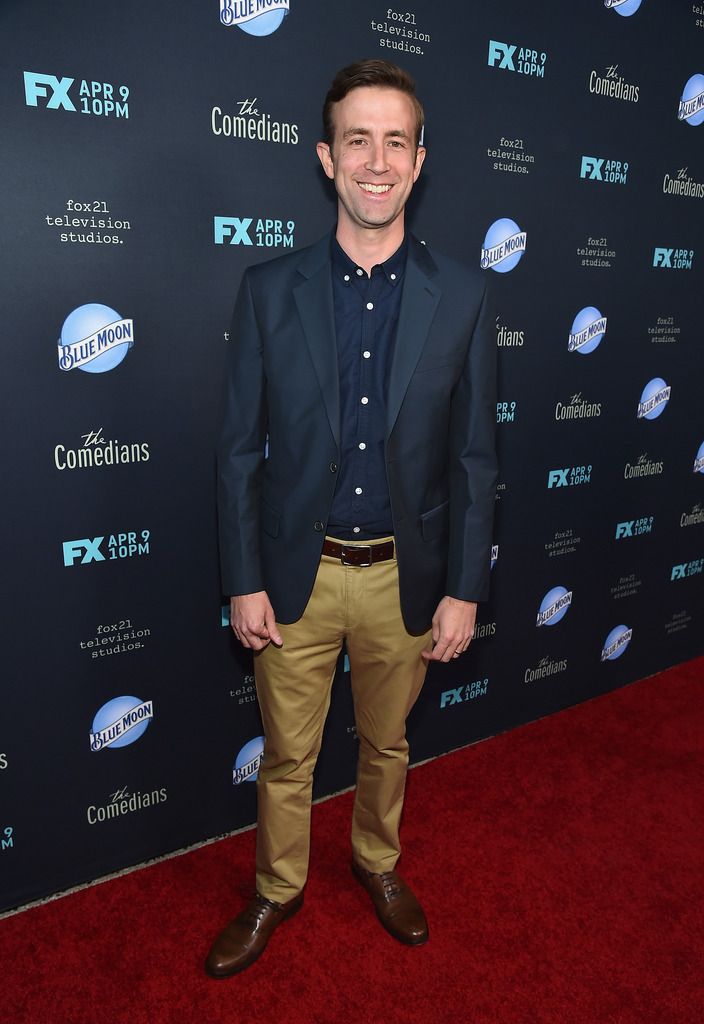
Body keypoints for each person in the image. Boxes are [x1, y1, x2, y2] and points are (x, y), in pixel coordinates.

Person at [207, 58, 497, 978]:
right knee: (287, 757)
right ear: (326, 158)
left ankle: (377, 863)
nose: (378, 160)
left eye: (396, 141)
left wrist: (464, 590)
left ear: (420, 160)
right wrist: (243, 576)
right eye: (358, 140)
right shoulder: (269, 288)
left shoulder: (464, 294)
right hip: (298, 575)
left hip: (404, 581)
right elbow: (239, 451)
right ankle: (276, 889)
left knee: (389, 743)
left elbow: (474, 458)